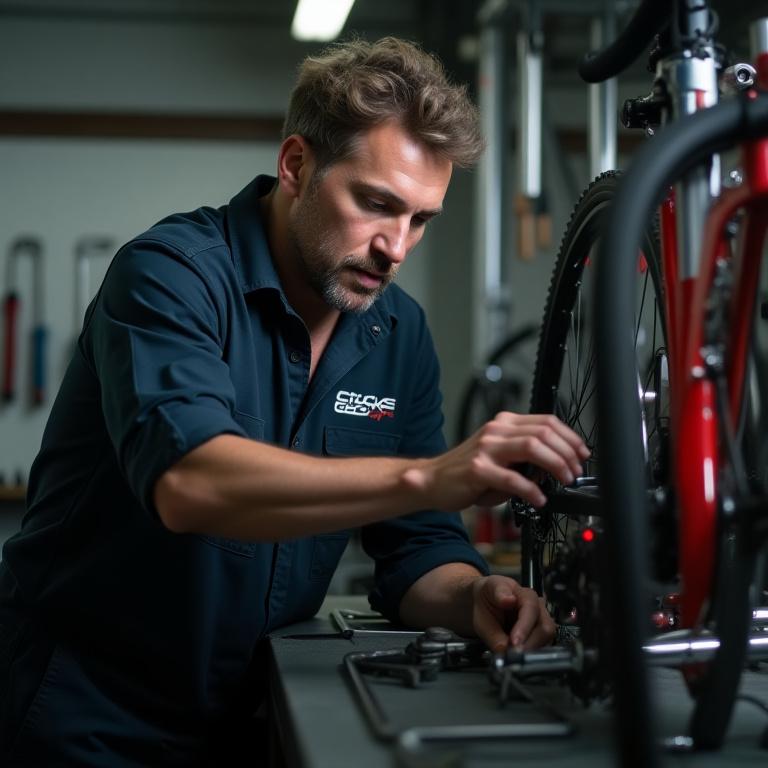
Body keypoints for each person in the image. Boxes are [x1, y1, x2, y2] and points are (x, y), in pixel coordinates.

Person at [0, 36, 588, 766]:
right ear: (297, 165)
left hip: (250, 716)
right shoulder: (171, 276)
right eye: (376, 204)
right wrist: (427, 475)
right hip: (86, 713)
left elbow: (418, 546)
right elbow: (190, 482)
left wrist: (473, 597)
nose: (396, 247)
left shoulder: (398, 333)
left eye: (420, 219)